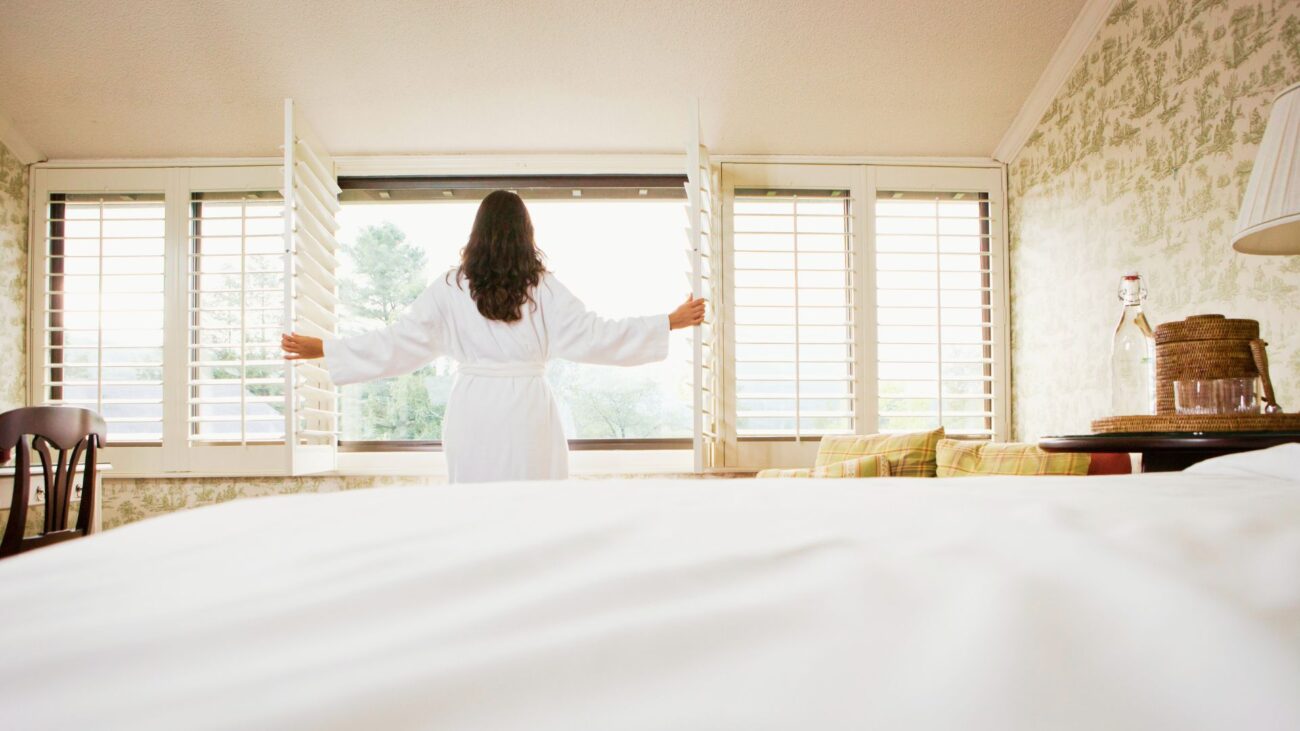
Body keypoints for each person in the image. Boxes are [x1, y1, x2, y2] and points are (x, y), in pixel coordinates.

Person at [281, 190, 706, 483]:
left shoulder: (451, 286)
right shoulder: (542, 286)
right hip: (528, 411)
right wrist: (666, 321)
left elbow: (399, 342)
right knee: (534, 506)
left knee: (476, 505)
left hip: (475, 408)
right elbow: (596, 334)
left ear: (477, 231)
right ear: (526, 233)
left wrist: (328, 349)